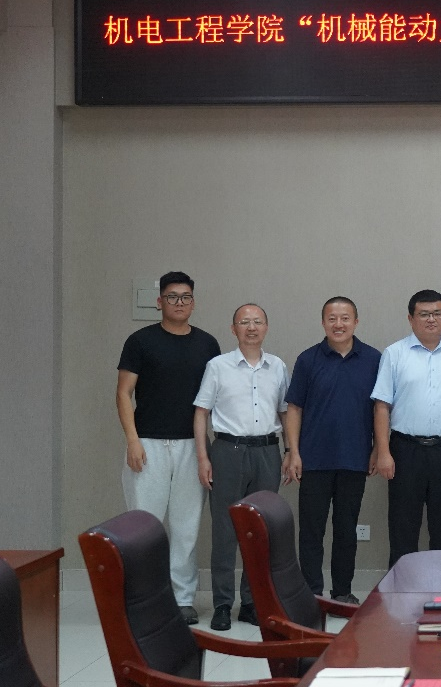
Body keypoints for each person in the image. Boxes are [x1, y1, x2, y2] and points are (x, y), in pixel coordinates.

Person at [116, 270, 220, 625]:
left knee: (186, 526)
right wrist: (132, 440)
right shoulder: (140, 341)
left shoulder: (207, 344)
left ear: (193, 302)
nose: (179, 303)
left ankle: (182, 598)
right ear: (159, 301)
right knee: (143, 526)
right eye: (172, 297)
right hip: (147, 444)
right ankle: (142, 598)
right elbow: (123, 393)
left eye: (185, 297)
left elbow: (213, 399)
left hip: (193, 446)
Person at [193, 303, 287, 630]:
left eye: (257, 321)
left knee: (260, 531)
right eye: (244, 322)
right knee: (225, 530)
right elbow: (201, 412)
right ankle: (222, 603)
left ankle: (251, 602)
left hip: (267, 452)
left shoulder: (278, 366)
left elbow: (286, 412)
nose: (251, 327)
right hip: (227, 452)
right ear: (233, 329)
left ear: (266, 327)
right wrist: (203, 457)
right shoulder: (218, 366)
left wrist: (292, 450)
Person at [284, 296, 380, 606]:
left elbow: (381, 409)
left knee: (346, 530)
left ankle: (342, 592)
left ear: (356, 322)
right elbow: (294, 408)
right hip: (314, 459)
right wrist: (293, 451)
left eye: (345, 318)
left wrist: (379, 448)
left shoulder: (373, 359)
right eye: (332, 318)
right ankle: (311, 593)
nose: (339, 324)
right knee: (311, 531)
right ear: (323, 322)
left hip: (355, 458)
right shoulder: (307, 359)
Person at [373, 290, 441, 567]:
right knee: (403, 527)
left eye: (437, 314)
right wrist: (383, 452)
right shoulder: (395, 353)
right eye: (424, 314)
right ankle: (401, 588)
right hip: (405, 450)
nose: (431, 319)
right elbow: (382, 406)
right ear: (411, 319)